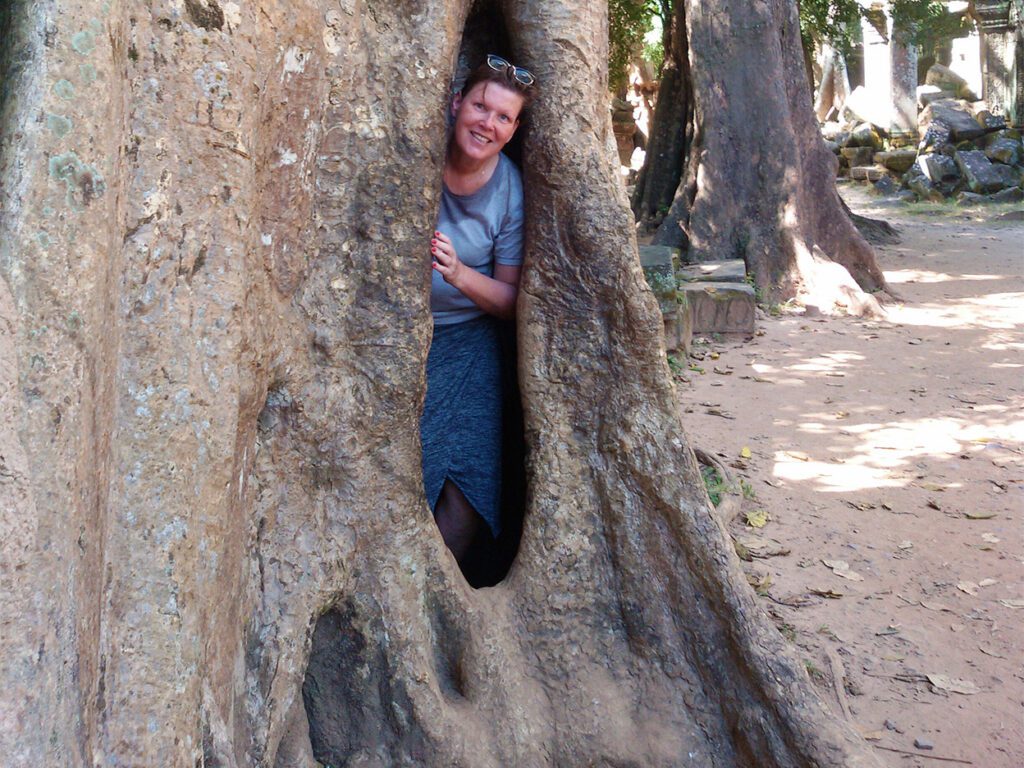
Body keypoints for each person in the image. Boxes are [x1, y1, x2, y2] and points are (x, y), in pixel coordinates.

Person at [420, 55, 536, 573]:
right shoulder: (418, 160)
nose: (487, 123)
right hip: (401, 342)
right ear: (456, 105)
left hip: (469, 344)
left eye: (503, 117)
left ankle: (432, 591)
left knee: (468, 490)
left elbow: (514, 302)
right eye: (480, 107)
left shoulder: (508, 190)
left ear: (512, 131)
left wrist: (460, 273)